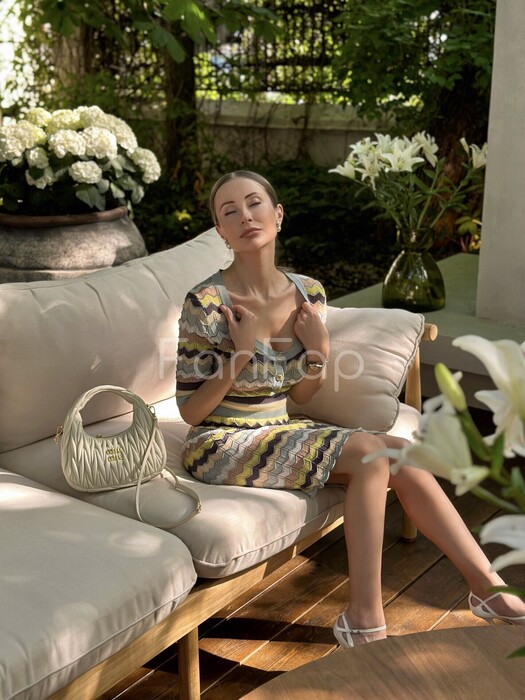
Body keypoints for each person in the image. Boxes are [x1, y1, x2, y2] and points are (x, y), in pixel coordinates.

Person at [176, 170, 525, 648]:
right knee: (371, 454)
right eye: (229, 211)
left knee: (401, 453)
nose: (245, 217)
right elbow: (191, 412)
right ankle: (365, 617)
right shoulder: (205, 302)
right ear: (220, 230)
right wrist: (239, 354)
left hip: (279, 426)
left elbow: (301, 397)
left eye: (254, 203)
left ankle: (488, 589)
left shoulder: (308, 293)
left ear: (278, 215)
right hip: (219, 443)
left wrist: (319, 352)